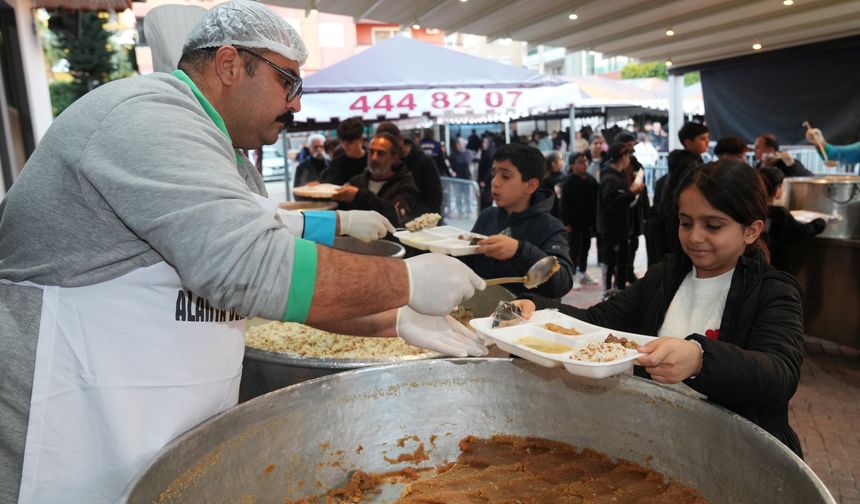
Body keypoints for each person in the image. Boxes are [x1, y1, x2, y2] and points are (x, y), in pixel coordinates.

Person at [0, 3, 487, 502]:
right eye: (288, 82)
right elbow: (250, 267)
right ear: (230, 65)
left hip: (163, 427)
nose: (297, 104)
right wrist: (404, 281)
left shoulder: (226, 154)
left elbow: (279, 279)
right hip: (74, 429)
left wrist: (396, 318)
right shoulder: (145, 117)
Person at [514, 160, 805, 458]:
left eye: (713, 226)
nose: (695, 237)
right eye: (686, 222)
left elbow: (779, 375)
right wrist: (536, 311)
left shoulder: (774, 291)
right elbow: (596, 323)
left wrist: (700, 359)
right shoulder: (664, 277)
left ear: (751, 231)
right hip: (662, 444)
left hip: (737, 454)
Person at [460, 144, 575, 300]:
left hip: (526, 319)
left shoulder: (550, 227)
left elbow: (563, 282)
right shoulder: (488, 216)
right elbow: (467, 263)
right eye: (493, 174)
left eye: (505, 176)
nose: (495, 182)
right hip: (481, 314)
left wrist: (519, 251)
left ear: (531, 185)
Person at [332, 132, 419, 227]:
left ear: (394, 158)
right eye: (371, 152)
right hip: (355, 241)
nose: (374, 158)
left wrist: (359, 196)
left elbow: (396, 216)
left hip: (388, 241)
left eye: (380, 153)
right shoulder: (356, 182)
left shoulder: (405, 184)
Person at [654, 121, 709, 259]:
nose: (707, 142)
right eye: (702, 139)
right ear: (688, 142)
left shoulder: (690, 160)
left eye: (707, 138)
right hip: (678, 217)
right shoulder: (688, 163)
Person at [598, 143, 645, 299]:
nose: (629, 159)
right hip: (612, 228)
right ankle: (607, 291)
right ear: (620, 157)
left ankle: (618, 289)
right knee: (610, 260)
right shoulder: (610, 178)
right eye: (627, 156)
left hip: (622, 226)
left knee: (622, 259)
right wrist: (631, 193)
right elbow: (611, 202)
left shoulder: (619, 175)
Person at [758, 166, 826, 271]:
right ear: (777, 190)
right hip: (775, 269)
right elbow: (799, 232)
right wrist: (820, 223)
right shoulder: (779, 213)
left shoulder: (751, 211)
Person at [376, 122, 443, 217]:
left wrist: (409, 217)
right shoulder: (384, 164)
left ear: (400, 139)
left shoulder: (423, 161)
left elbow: (433, 198)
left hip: (422, 223)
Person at [559, 152, 598, 288]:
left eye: (585, 161)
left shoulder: (591, 180)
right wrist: (566, 223)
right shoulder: (569, 182)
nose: (584, 164)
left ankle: (582, 272)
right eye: (580, 162)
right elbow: (564, 204)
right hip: (573, 223)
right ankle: (572, 274)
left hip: (587, 222)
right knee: (573, 249)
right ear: (572, 165)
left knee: (585, 247)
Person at [323, 116, 367, 185]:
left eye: (350, 142)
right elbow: (330, 187)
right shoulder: (336, 163)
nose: (346, 146)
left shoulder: (370, 160)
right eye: (343, 142)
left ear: (361, 139)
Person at [448, 137, 474, 217]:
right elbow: (450, 165)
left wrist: (471, 171)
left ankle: (468, 211)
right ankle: (460, 212)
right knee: (458, 196)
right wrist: (452, 172)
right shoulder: (453, 154)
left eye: (460, 144)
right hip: (458, 179)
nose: (459, 145)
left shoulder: (468, 153)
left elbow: (471, 164)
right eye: (457, 144)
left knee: (467, 197)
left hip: (466, 178)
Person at [541, 150, 565, 218]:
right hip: (553, 211)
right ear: (553, 163)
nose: (563, 161)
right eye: (560, 159)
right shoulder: (546, 179)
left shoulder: (564, 175)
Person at [477, 135, 496, 210]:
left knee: (486, 201)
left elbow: (489, 170)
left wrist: (484, 181)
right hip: (484, 181)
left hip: (486, 183)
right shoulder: (485, 153)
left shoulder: (489, 155)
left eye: (485, 142)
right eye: (483, 142)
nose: (483, 144)